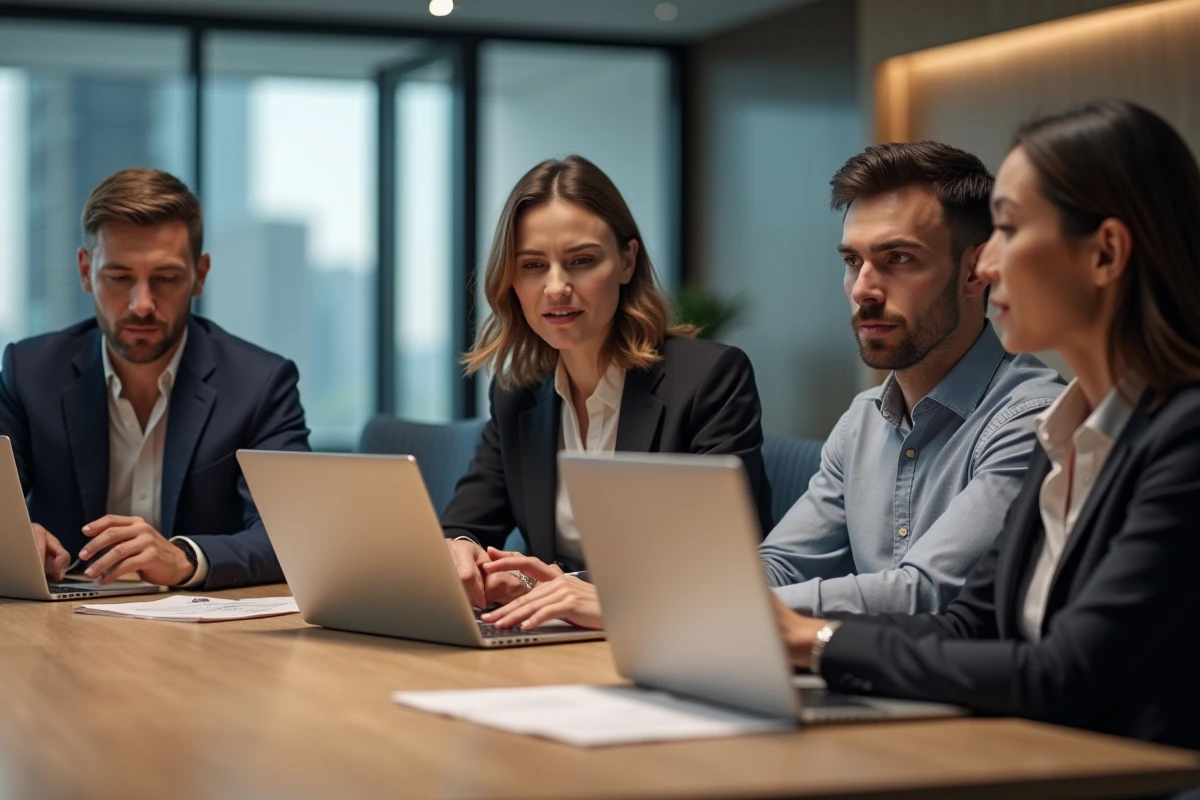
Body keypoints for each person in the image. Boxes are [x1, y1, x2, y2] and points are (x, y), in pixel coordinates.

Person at [773, 100, 1200, 751]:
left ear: (1106, 254)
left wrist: (817, 639)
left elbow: (1064, 671)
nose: (989, 264)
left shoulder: (1182, 435)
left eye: (1009, 227)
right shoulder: (1066, 430)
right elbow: (972, 624)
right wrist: (788, 632)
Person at [440, 155, 771, 624]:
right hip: (555, 646)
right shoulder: (518, 393)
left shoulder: (708, 379)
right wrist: (462, 551)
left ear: (626, 260)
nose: (556, 287)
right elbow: (466, 525)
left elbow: (717, 558)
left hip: (673, 636)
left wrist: (549, 587)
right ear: (511, 280)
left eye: (581, 261)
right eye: (533, 265)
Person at [756, 140, 1063, 616]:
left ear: (975, 271)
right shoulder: (861, 420)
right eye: (852, 261)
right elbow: (784, 563)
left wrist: (728, 606)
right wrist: (686, 598)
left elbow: (926, 595)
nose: (863, 290)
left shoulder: (1031, 420)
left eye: (898, 258)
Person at [0, 168, 310, 590]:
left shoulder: (261, 384)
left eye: (165, 279)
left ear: (200, 275)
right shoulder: (30, 372)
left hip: (210, 639)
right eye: (120, 277)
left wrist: (185, 558)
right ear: (85, 271)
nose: (142, 304)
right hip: (61, 628)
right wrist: (15, 539)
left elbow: (292, 536)